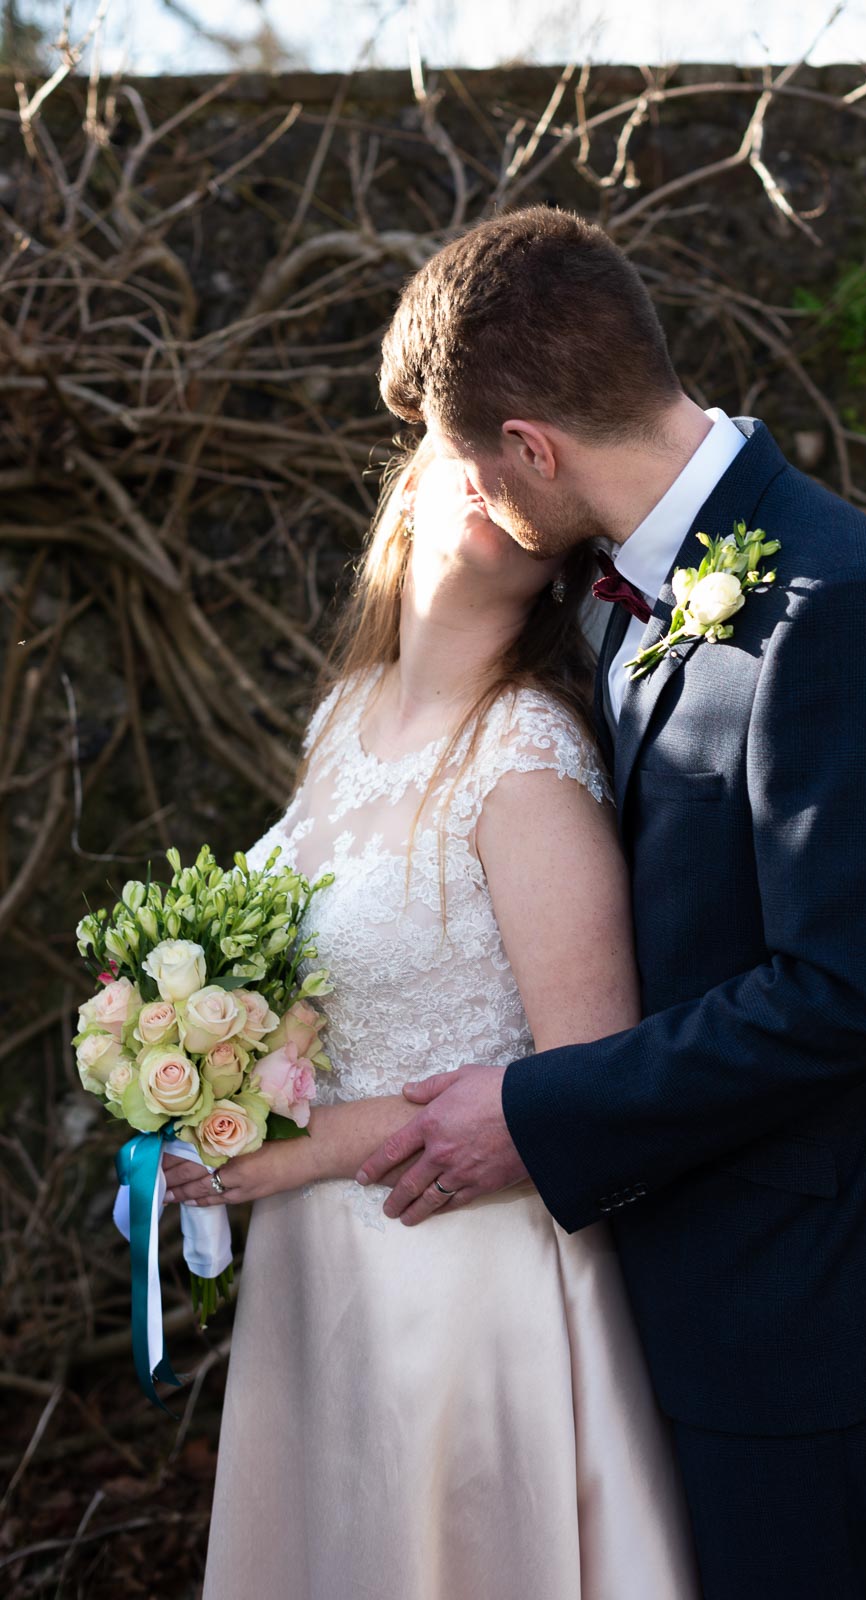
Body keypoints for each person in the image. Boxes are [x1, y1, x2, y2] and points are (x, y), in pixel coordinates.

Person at [355, 204, 866, 1598]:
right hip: (656, 1285)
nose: (459, 495)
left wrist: (534, 1112)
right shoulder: (597, 588)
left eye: (464, 459)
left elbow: (846, 997)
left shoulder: (838, 603)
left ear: (533, 446)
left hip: (805, 1307)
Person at [163, 439, 700, 1599]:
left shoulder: (528, 760)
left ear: (563, 548)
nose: (482, 473)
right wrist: (194, 1069)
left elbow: (585, 1083)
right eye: (457, 443)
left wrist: (291, 1154)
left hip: (461, 1286)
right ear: (405, 477)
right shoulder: (345, 714)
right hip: (319, 1274)